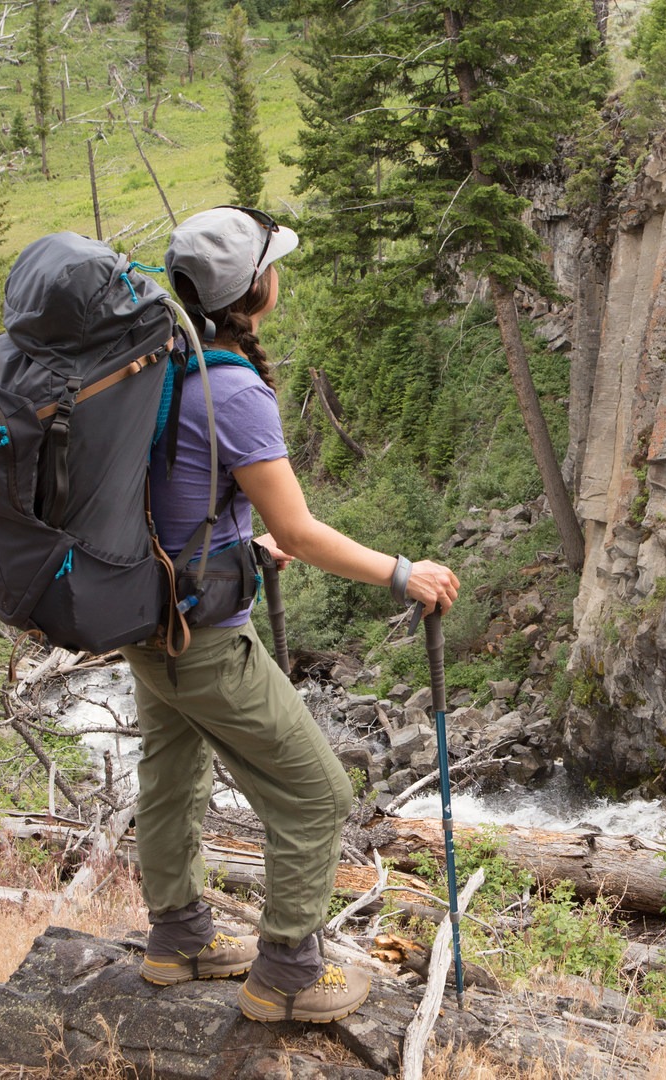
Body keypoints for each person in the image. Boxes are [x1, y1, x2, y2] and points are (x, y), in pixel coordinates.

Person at [124, 205, 460, 1023]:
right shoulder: (233, 389)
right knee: (316, 795)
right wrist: (402, 572)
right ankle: (288, 973)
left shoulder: (156, 364)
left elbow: (177, 491)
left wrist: (241, 545)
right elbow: (303, 533)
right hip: (204, 637)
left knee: (171, 779)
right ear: (255, 292)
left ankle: (177, 939)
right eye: (274, 268)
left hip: (141, 622)